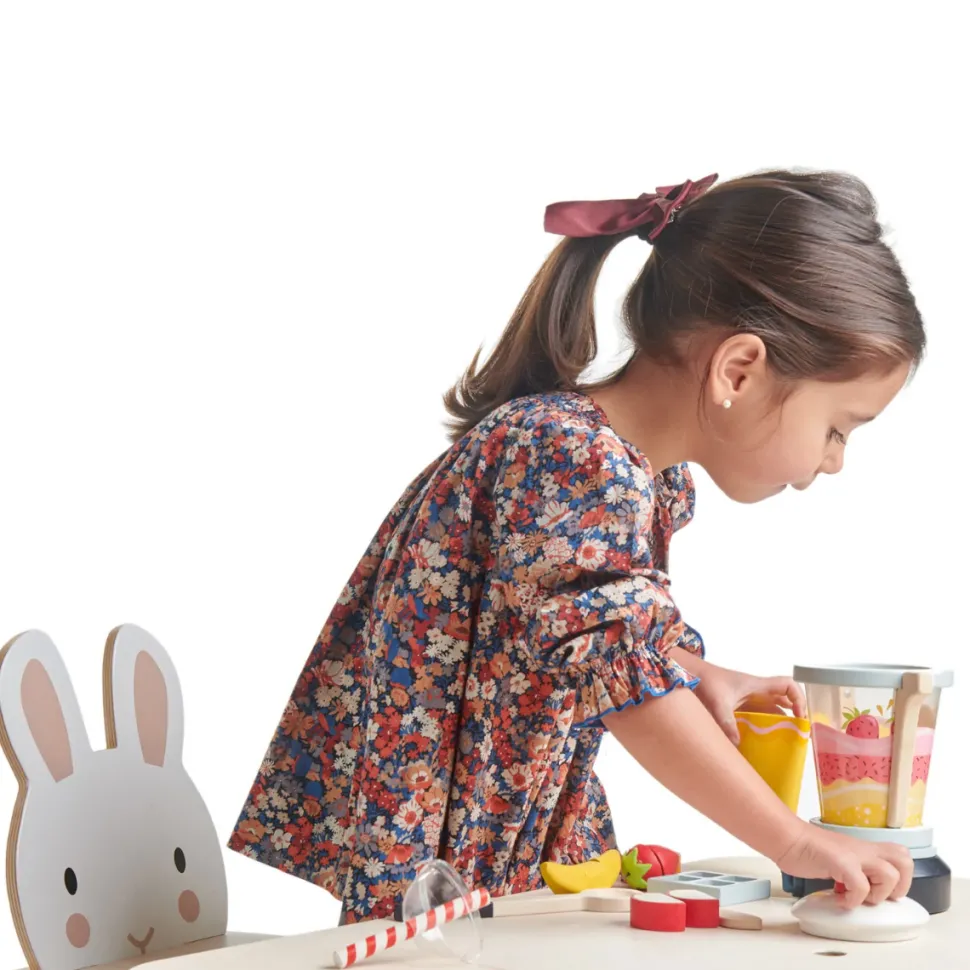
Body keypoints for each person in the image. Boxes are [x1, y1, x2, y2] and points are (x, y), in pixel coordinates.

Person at [229, 170, 921, 923]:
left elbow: (573, 632)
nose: (835, 461)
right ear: (739, 370)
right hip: (453, 843)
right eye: (837, 428)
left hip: (511, 813)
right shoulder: (572, 459)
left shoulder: (620, 467)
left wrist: (697, 674)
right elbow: (623, 686)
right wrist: (795, 840)